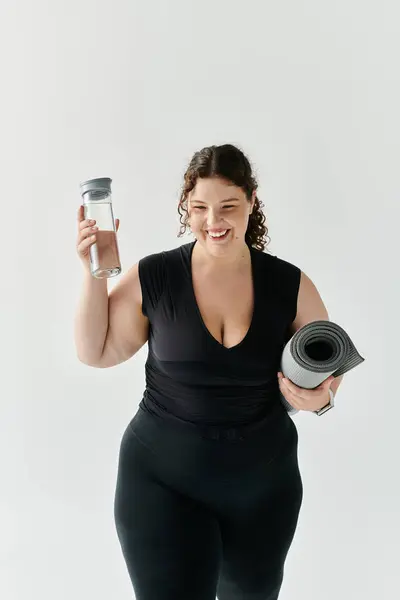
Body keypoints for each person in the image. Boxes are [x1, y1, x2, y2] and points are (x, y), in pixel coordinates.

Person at [74, 144, 342, 600]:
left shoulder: (290, 283)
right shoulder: (155, 276)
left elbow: (327, 367)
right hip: (163, 484)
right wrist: (94, 273)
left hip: (263, 490)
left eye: (228, 207)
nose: (213, 220)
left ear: (252, 202)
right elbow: (96, 352)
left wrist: (321, 400)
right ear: (186, 207)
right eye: (199, 207)